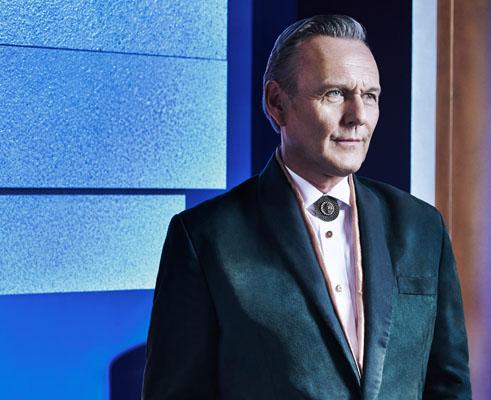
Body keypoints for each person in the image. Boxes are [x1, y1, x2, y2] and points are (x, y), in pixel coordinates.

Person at [142, 14, 471, 399]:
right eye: (334, 93)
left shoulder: (422, 227)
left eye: (370, 96)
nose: (358, 117)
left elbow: (449, 386)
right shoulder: (205, 237)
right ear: (277, 103)